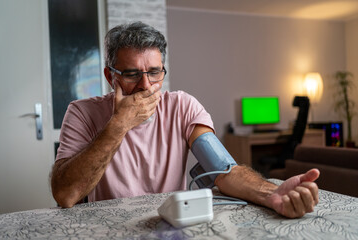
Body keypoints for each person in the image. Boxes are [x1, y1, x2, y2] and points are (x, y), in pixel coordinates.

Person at [51, 22, 320, 219]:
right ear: (111, 77)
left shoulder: (182, 105)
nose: (146, 85)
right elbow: (65, 195)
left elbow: (223, 171)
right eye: (132, 74)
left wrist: (271, 193)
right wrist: (119, 124)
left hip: (169, 224)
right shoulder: (82, 112)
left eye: (154, 73)